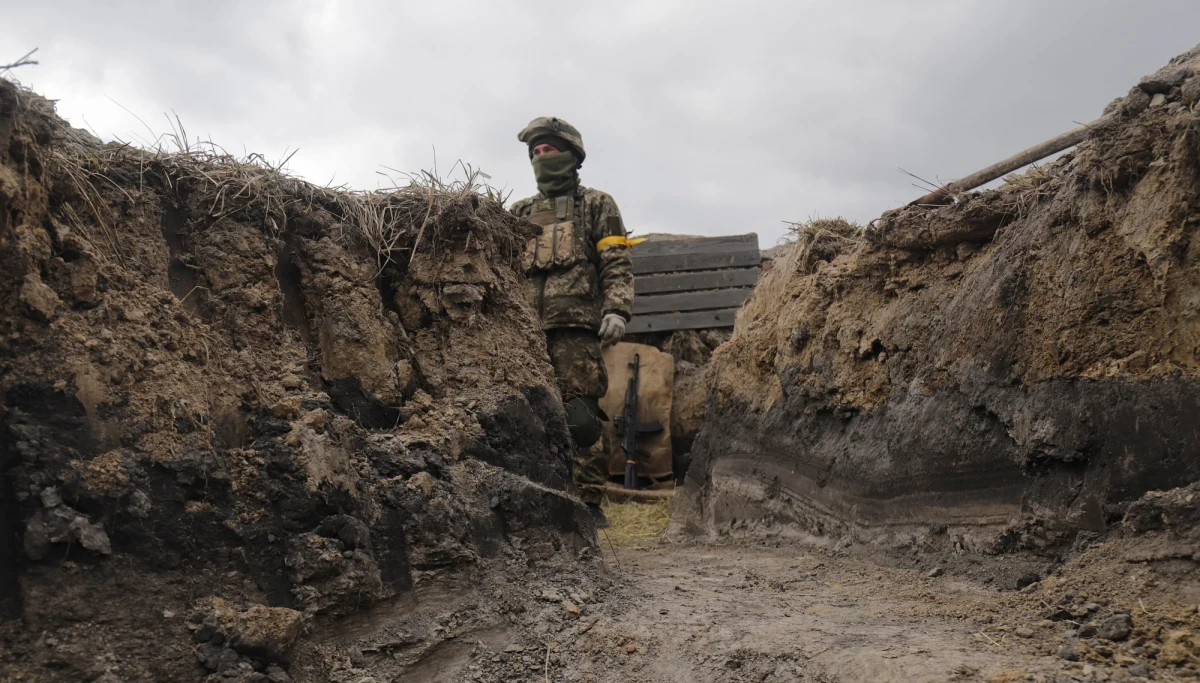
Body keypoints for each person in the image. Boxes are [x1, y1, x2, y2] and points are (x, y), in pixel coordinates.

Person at [509, 117, 635, 524]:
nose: (543, 158)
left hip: (576, 330)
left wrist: (617, 308)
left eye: (550, 150)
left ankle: (589, 506)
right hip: (525, 334)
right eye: (536, 153)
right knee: (527, 420)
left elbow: (616, 263)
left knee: (580, 420)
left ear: (573, 156)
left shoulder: (598, 204)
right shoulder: (519, 212)